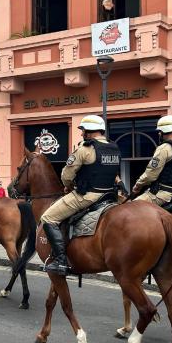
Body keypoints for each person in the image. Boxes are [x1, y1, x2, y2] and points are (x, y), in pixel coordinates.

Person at [40, 114, 121, 276]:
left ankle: (61, 261)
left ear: (89, 132)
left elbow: (66, 176)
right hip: (110, 195)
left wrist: (68, 187)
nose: (82, 134)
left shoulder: (84, 149)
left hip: (87, 196)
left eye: (83, 130)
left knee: (48, 218)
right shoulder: (114, 148)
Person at [132, 115, 172, 211]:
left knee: (131, 208)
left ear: (163, 131)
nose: (159, 134)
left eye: (160, 131)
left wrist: (138, 186)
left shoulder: (164, 148)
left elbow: (150, 175)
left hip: (162, 195)